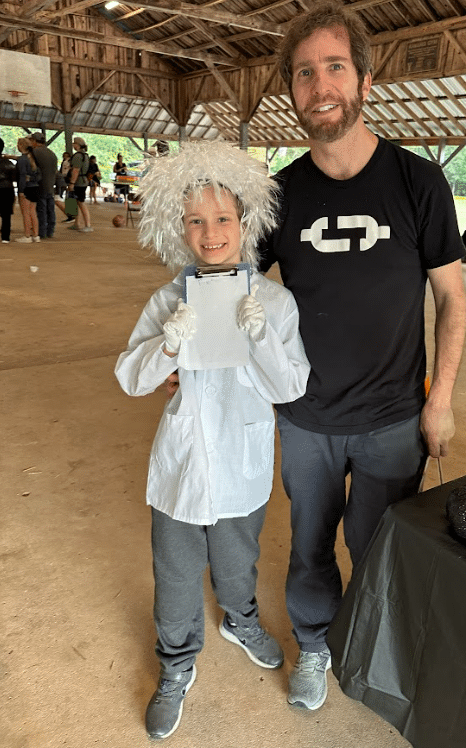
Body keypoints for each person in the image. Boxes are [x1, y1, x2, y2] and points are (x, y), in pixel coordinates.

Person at [258, 3, 466, 711]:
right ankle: (314, 645)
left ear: (366, 80)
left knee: (378, 546)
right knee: (311, 543)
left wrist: (438, 400)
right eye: (304, 74)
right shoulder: (278, 194)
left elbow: (452, 301)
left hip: (390, 419)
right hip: (306, 417)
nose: (320, 86)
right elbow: (235, 291)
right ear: (292, 91)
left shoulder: (417, 183)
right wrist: (189, 353)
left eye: (334, 68)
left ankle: (371, 644)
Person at [114, 141, 310, 741]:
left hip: (243, 460)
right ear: (179, 228)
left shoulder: (274, 303)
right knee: (174, 572)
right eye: (195, 220)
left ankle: (241, 620)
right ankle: (175, 666)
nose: (211, 232)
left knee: (236, 558)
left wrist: (260, 337)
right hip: (180, 466)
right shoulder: (167, 301)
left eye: (223, 217)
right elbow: (130, 378)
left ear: (246, 222)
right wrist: (167, 343)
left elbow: (291, 386)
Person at [28, 132, 58, 239]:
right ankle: (50, 231)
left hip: (40, 184)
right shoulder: (51, 153)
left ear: (34, 141)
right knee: (50, 209)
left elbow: (30, 165)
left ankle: (42, 232)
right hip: (50, 185)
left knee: (41, 210)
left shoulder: (35, 152)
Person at [14, 137, 41, 243]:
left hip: (26, 188)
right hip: (35, 187)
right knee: (33, 212)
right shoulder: (33, 158)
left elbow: (22, 175)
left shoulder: (22, 160)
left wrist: (21, 191)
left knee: (25, 213)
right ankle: (36, 235)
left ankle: (27, 235)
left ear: (21, 146)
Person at [66, 137, 93, 232]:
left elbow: (76, 170)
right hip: (84, 180)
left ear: (77, 144)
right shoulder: (85, 155)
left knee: (81, 202)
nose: (73, 145)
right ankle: (77, 223)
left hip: (79, 182)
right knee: (77, 202)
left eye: (74, 143)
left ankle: (88, 225)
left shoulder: (77, 156)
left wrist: (72, 183)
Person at [0, 138, 17, 243]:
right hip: (7, 189)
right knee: (6, 214)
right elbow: (15, 177)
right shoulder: (9, 163)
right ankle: (5, 237)